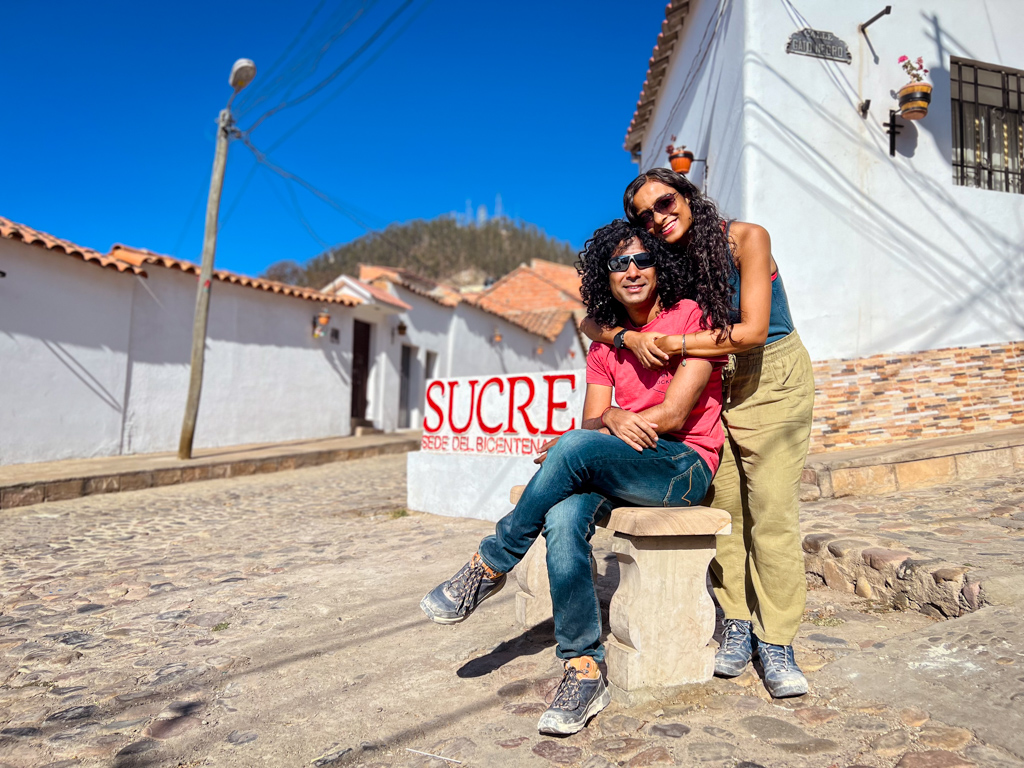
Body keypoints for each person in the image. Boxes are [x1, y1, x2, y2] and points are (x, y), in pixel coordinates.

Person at [420, 219, 727, 735]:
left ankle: (490, 563)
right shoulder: (606, 345)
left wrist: (582, 442)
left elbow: (674, 416)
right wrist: (603, 424)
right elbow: (594, 419)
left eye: (641, 260)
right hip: (622, 465)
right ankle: (584, 668)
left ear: (659, 265)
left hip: (681, 467)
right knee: (563, 516)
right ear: (604, 276)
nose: (630, 271)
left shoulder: (689, 316)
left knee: (575, 444)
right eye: (618, 263)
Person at [580, 168, 815, 699]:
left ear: (688, 195)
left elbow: (753, 331)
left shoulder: (745, 238)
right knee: (724, 509)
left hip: (769, 377)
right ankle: (735, 619)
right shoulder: (667, 262)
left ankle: (775, 639)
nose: (658, 219)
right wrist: (628, 336)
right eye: (644, 216)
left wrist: (674, 344)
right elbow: (590, 323)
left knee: (771, 512)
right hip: (713, 382)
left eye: (665, 203)